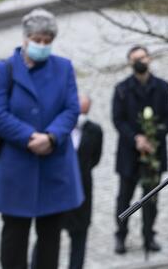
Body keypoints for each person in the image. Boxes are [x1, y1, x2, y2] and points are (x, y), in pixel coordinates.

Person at [0, 8, 83, 269]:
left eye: (47, 41)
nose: (42, 45)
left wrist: (51, 137)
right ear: (25, 38)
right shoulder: (5, 69)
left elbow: (71, 109)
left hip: (54, 165)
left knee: (50, 243)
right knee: (14, 241)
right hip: (17, 166)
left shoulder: (63, 68)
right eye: (37, 40)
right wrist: (29, 137)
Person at [112, 45, 168, 254]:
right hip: (129, 153)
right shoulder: (121, 89)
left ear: (149, 59)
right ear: (130, 62)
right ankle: (121, 234)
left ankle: (149, 235)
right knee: (124, 197)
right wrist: (136, 139)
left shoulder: (162, 87)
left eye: (143, 57)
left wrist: (153, 137)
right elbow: (118, 120)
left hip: (154, 152)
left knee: (151, 197)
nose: (140, 61)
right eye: (135, 58)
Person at [62, 94, 103, 269]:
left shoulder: (94, 130)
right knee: (48, 235)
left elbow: (95, 158)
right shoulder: (60, 127)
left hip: (82, 190)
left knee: (79, 237)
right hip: (59, 190)